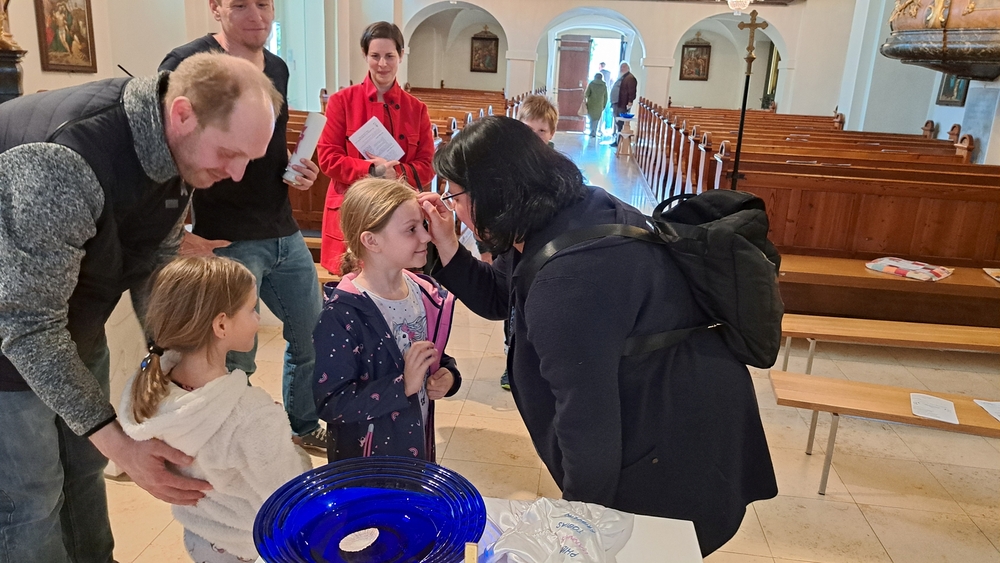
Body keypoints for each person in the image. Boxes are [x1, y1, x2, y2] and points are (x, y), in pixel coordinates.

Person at [417, 116, 778, 556]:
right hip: (669, 407)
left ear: (494, 194)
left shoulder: (570, 281)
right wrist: (448, 246)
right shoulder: (562, 211)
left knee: (645, 548)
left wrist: (577, 529)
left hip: (673, 448)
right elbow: (501, 298)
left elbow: (588, 427)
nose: (453, 209)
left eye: (456, 197)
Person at [0, 53, 282, 563]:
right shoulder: (62, 162)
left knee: (83, 469)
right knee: (30, 501)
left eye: (249, 159)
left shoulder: (181, 151)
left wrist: (178, 353)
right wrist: (123, 447)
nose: (237, 174)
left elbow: (155, 256)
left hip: (71, 325)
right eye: (229, 153)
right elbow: (27, 324)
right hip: (14, 337)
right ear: (182, 114)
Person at [158, 0, 327, 453]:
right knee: (235, 353)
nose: (256, 15)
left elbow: (267, 144)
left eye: (264, 4)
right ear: (216, 7)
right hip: (225, 235)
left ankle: (303, 423)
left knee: (313, 332)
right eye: (240, 4)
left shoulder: (277, 68)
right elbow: (165, 152)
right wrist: (176, 233)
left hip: (283, 227)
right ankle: (234, 435)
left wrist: (298, 169)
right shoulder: (188, 63)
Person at [119, 256, 310, 563]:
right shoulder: (251, 415)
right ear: (221, 325)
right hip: (247, 545)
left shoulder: (151, 387)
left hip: (201, 536)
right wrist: (289, 445)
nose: (257, 318)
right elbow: (288, 496)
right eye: (252, 309)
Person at [312, 178, 462, 461]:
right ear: (371, 241)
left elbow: (424, 353)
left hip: (416, 452)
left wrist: (448, 374)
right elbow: (331, 403)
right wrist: (402, 386)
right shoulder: (342, 314)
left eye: (423, 225)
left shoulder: (424, 293)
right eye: (411, 229)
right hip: (367, 466)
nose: (426, 237)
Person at [316, 21, 435, 274]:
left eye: (389, 56)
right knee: (350, 286)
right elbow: (328, 158)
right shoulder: (341, 102)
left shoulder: (417, 109)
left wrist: (396, 173)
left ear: (400, 55)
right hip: (352, 210)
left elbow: (427, 166)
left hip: (399, 215)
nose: (382, 64)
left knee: (397, 284)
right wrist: (372, 171)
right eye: (375, 56)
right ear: (365, 55)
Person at [609, 62, 637, 147]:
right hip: (617, 103)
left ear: (628, 68)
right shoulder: (623, 77)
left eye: (624, 67)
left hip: (622, 103)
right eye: (621, 67)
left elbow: (632, 91)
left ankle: (620, 142)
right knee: (617, 123)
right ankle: (618, 140)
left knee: (620, 123)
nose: (622, 68)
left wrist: (630, 101)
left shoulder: (630, 78)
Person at [584, 73, 608, 138]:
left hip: (591, 104)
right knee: (596, 119)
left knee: (591, 118)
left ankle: (591, 131)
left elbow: (586, 94)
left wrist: (585, 101)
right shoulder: (604, 86)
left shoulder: (591, 84)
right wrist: (604, 105)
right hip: (599, 105)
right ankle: (594, 131)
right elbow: (606, 97)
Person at [598, 62, 613, 134]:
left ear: (600, 66)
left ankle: (599, 128)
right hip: (608, 93)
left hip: (601, 95)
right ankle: (608, 128)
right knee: (608, 111)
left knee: (601, 112)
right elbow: (611, 82)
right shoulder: (609, 73)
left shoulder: (600, 74)